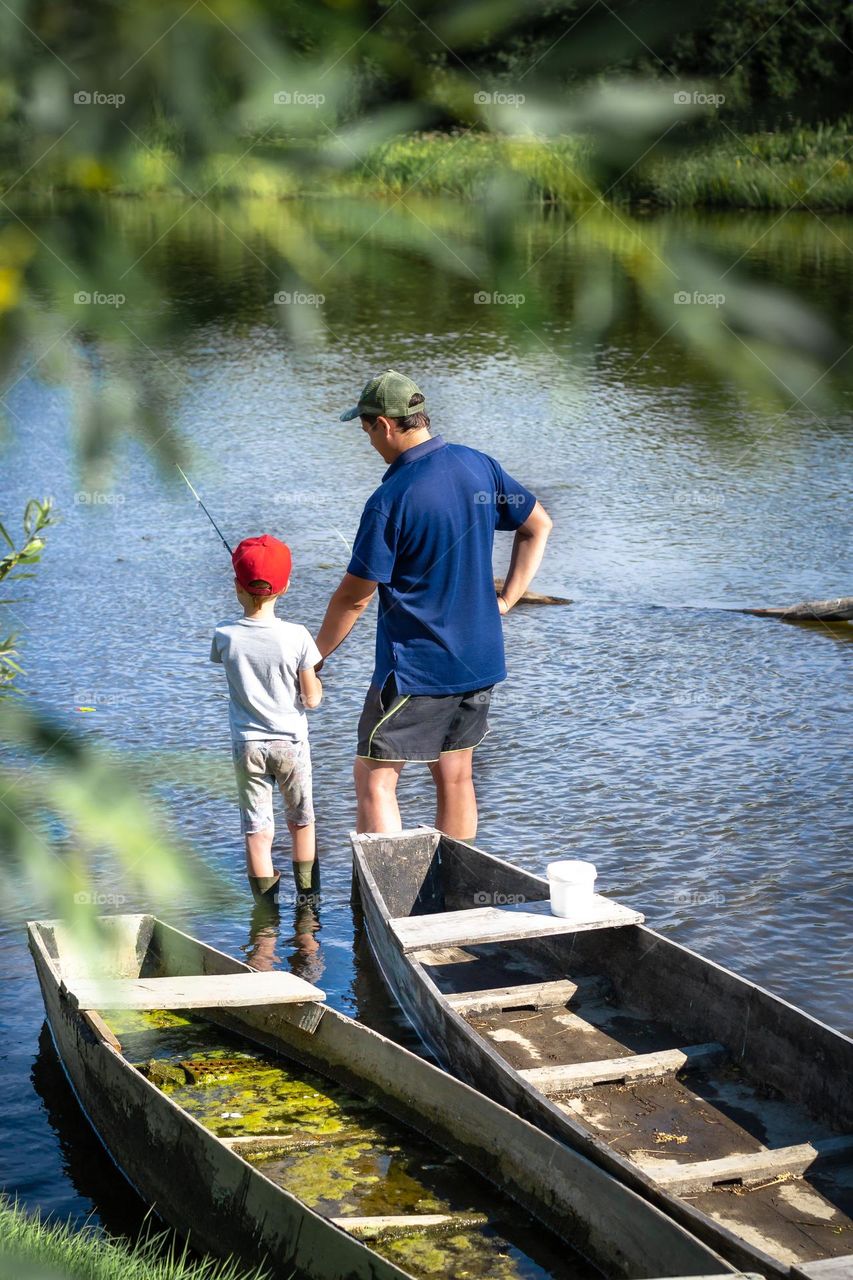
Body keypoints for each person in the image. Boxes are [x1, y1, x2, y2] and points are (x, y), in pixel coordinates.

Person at [315, 369, 552, 838]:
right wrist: (506, 599)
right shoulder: (477, 464)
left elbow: (354, 597)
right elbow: (538, 525)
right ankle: (453, 890)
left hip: (418, 669)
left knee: (375, 778)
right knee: (456, 775)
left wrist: (315, 654)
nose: (369, 443)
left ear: (385, 424)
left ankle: (388, 897)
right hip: (479, 658)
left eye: (367, 431)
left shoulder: (391, 498)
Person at [210, 534, 323, 906]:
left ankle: (265, 920)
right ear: (287, 586)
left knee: (257, 832)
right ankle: (308, 913)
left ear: (236, 586)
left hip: (248, 746)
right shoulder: (298, 636)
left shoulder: (224, 635)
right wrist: (313, 681)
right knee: (301, 823)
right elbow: (312, 699)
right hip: (290, 744)